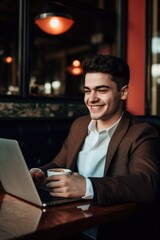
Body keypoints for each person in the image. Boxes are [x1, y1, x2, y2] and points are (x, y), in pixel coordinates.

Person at [30, 54, 160, 206]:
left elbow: (147, 184)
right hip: (70, 217)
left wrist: (88, 187)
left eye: (101, 90)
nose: (91, 99)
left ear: (123, 92)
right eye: (87, 91)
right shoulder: (79, 125)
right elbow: (59, 164)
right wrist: (38, 173)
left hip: (108, 224)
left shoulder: (141, 133)